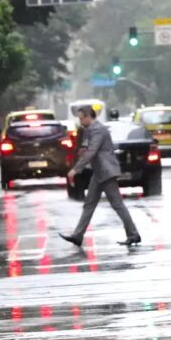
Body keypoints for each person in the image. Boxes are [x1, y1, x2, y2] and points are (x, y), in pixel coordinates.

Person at [60, 106, 141, 247]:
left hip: (106, 171)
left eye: (81, 118)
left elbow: (92, 152)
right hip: (99, 172)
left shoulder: (97, 129)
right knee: (89, 205)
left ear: (87, 116)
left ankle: (133, 234)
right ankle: (78, 236)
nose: (80, 121)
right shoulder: (91, 130)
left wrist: (75, 170)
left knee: (117, 204)